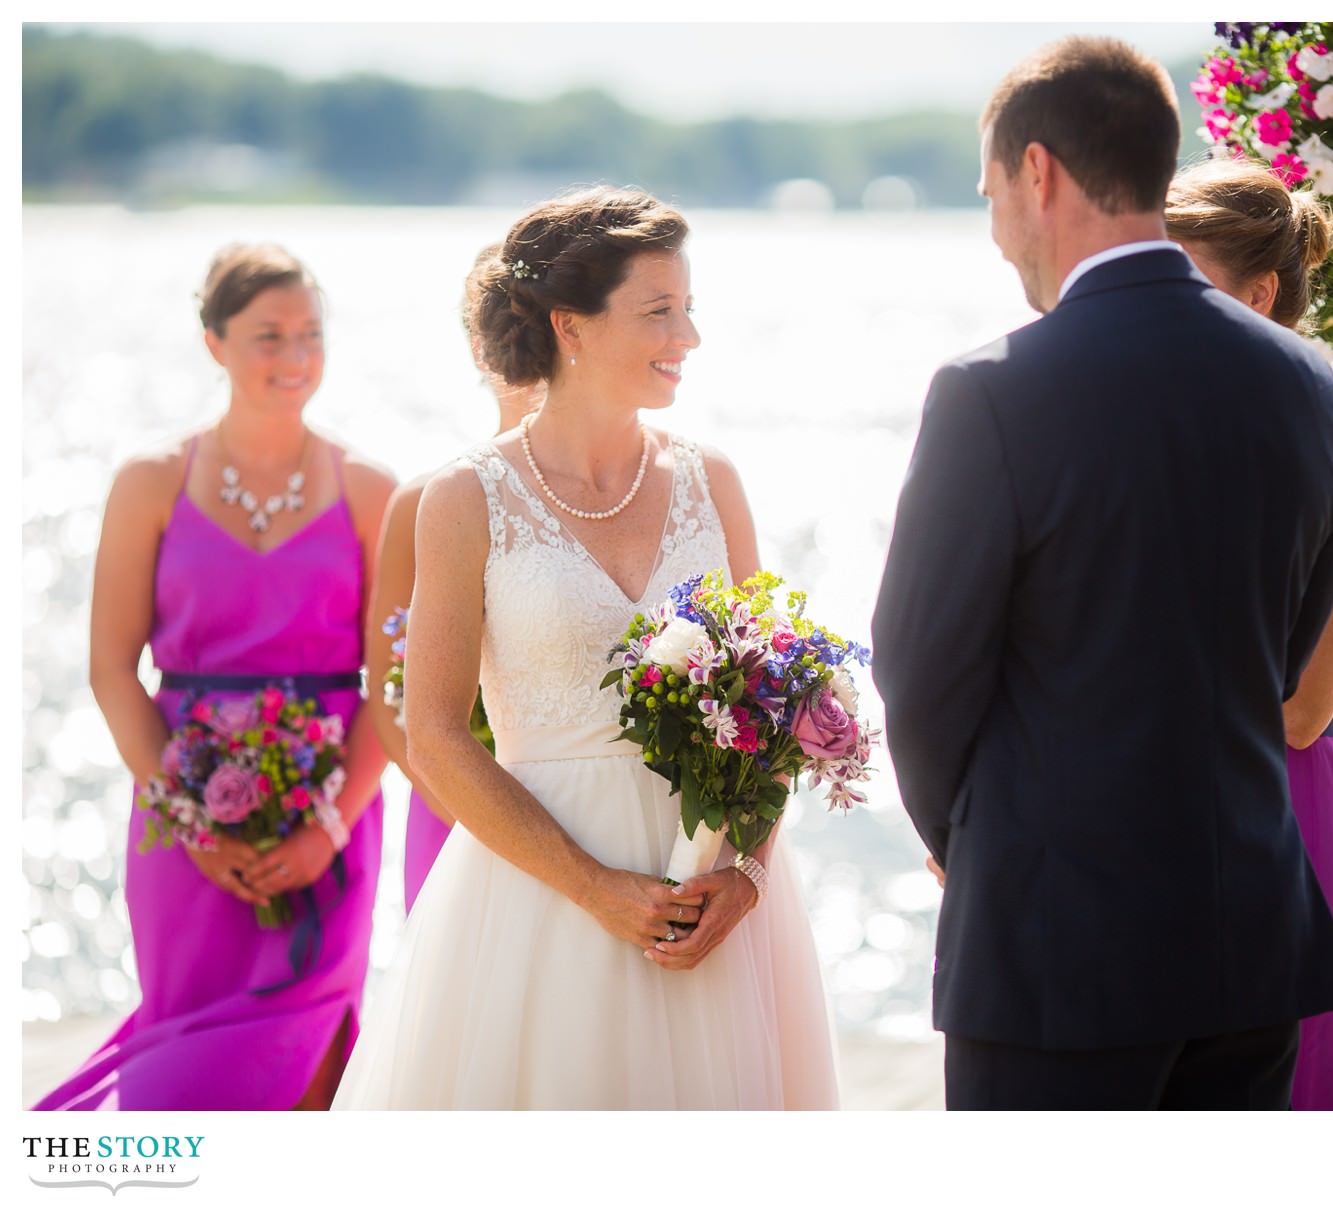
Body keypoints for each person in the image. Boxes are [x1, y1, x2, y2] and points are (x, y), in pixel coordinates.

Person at [871, 36, 1333, 1111]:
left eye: (990, 185)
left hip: (1057, 954)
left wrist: (975, 848)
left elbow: (919, 679)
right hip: (1247, 944)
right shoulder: (1301, 382)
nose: (994, 219)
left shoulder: (989, 392)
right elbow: (1287, 648)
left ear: (1036, 173)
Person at [332, 187, 838, 1109]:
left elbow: (774, 704)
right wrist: (595, 887)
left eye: (688, 307)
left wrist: (750, 877)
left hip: (715, 902)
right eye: (659, 311)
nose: (687, 335)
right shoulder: (462, 498)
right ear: (570, 324)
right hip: (541, 901)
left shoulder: (712, 480)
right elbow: (437, 733)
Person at [34, 244, 395, 1110]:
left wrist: (327, 829)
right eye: (269, 335)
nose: (297, 356)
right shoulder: (151, 483)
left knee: (307, 1060)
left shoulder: (371, 489)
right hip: (179, 824)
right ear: (213, 341)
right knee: (183, 1070)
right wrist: (189, 818)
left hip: (332, 819)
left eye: (311, 334)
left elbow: (393, 685)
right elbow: (112, 670)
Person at [1167, 157, 1333, 1110]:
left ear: (1258, 295)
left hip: (1289, 817)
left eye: (1181, 280)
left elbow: (1303, 709)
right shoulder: (1160, 446)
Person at [365, 243, 544, 913]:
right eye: (506, 327)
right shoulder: (424, 503)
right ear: (478, 344)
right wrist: (474, 813)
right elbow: (390, 700)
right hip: (452, 819)